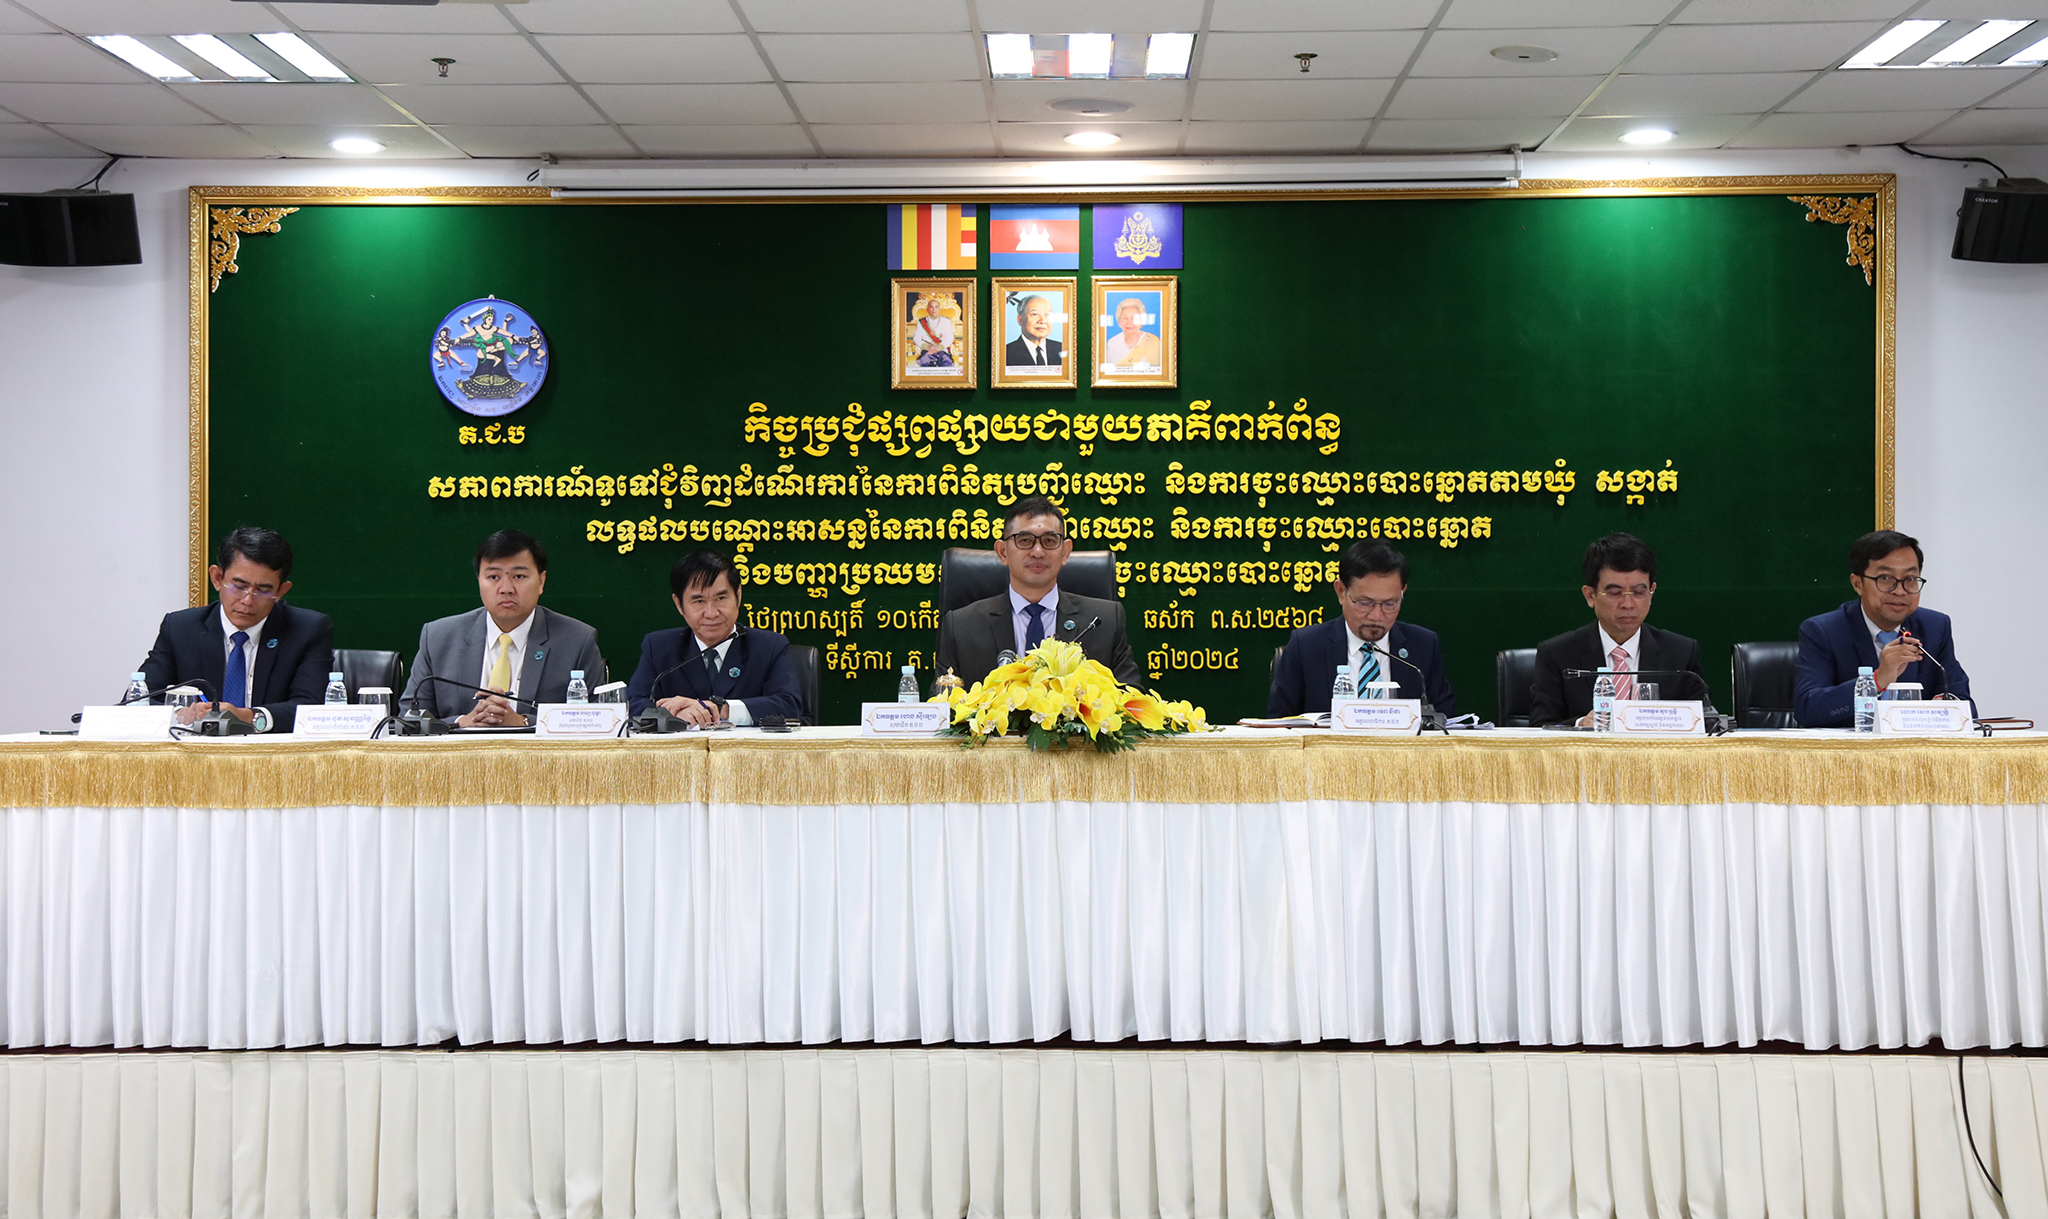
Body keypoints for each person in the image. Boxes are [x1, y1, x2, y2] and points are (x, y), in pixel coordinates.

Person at [135, 526, 333, 732]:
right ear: (217, 578)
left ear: (281, 591)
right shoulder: (180, 628)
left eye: (263, 590)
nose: (247, 600)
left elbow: (312, 709)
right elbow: (138, 703)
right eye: (238, 586)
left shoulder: (307, 630)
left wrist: (250, 716)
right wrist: (181, 715)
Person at [400, 530, 604, 727]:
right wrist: (462, 722)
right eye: (493, 577)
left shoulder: (577, 641)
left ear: (541, 581)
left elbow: (596, 722)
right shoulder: (438, 637)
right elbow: (409, 720)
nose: (506, 589)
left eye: (519, 576)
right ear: (479, 581)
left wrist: (523, 722)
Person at [935, 495, 1142, 687]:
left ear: (1065, 552)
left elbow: (1130, 700)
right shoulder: (960, 627)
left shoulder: (1104, 623)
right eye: (1024, 540)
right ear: (1003, 552)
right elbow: (943, 707)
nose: (1037, 552)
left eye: (1049, 541)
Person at [1794, 529, 1973, 726]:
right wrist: (1876, 681)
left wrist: (1945, 707)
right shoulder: (1824, 631)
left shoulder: (1935, 627)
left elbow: (1965, 706)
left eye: (1910, 579)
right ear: (1858, 584)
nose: (1900, 591)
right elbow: (1808, 710)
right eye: (1885, 578)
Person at [1531, 532, 1711, 727]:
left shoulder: (1680, 653)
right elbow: (1540, 727)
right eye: (1615, 593)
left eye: (1638, 592)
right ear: (1590, 595)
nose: (1628, 603)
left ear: (1652, 592)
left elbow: (1704, 724)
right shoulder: (1557, 654)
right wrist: (1580, 724)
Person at [1267, 540, 1456, 717]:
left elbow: (1446, 722)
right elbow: (1279, 727)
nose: (1377, 616)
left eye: (1390, 604)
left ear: (1402, 593)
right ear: (1341, 592)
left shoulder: (1423, 647)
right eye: (1365, 603)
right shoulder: (1306, 647)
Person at [626, 550, 805, 724]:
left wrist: (721, 709)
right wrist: (675, 713)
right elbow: (633, 706)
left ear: (738, 596)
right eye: (699, 601)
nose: (711, 613)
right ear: (679, 604)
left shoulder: (769, 646)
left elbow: (789, 705)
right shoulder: (659, 648)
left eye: (721, 598)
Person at [1004, 293, 1062, 371]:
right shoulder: (1005, 353)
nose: (1042, 321)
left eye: (1048, 315)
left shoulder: (1063, 350)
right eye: (1035, 314)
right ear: (1020, 320)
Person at [1103, 297, 1162, 369]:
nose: (1129, 322)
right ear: (1119, 320)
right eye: (1125, 318)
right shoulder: (1111, 344)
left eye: (1133, 318)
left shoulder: (1153, 342)